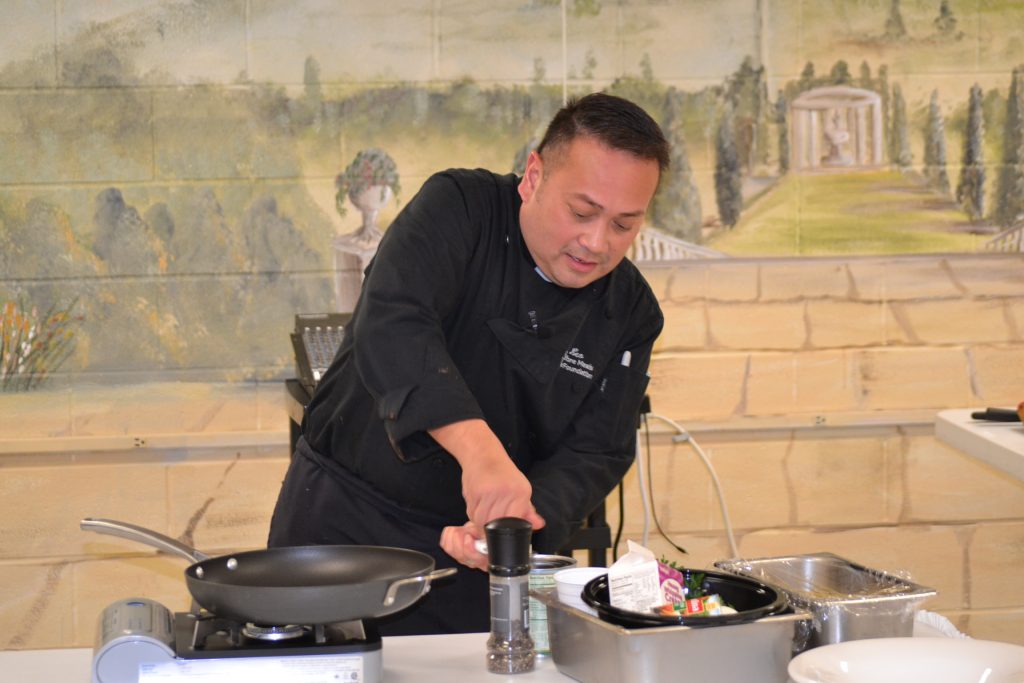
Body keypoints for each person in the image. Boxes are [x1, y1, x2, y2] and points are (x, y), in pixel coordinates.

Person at [268, 92, 668, 635]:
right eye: (581, 212)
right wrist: (481, 454)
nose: (596, 242)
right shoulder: (459, 209)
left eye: (624, 225)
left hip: (475, 564)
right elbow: (394, 323)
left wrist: (514, 527)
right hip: (345, 528)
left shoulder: (631, 313)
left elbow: (596, 449)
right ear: (533, 176)